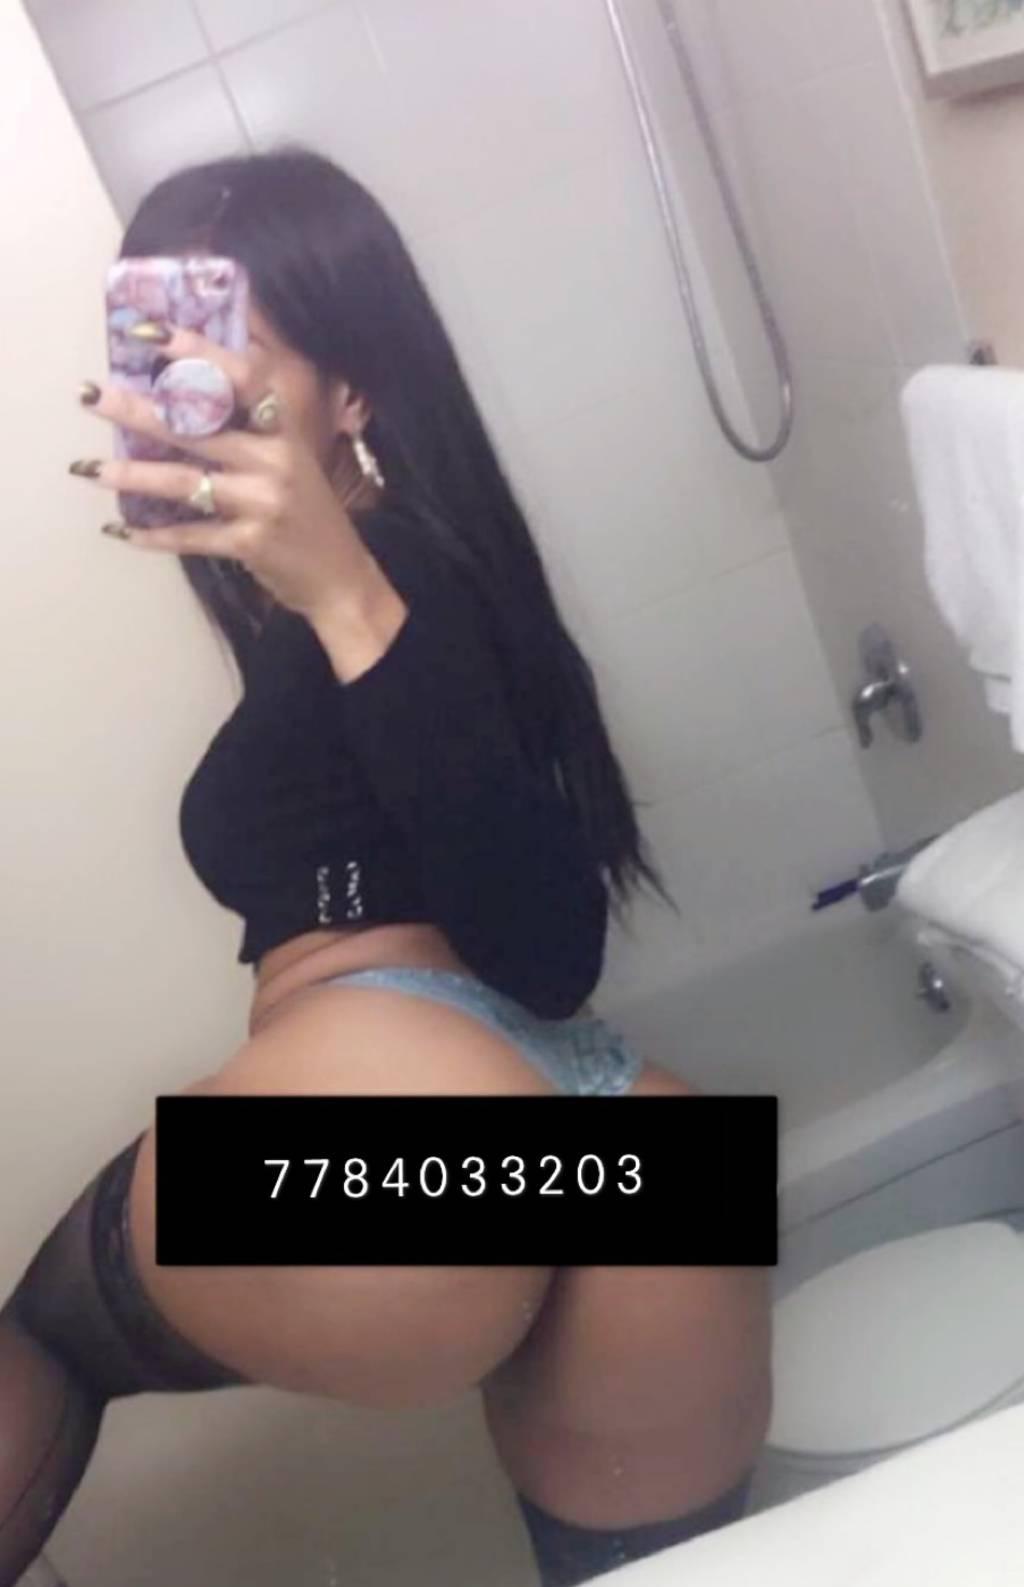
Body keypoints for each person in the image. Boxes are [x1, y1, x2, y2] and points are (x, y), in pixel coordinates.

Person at [0, 147, 771, 1587]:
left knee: (46, 1334)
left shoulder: (380, 578)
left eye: (225, 356)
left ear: (351, 391)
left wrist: (345, 590)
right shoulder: (428, 575)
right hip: (617, 1122)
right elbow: (540, 953)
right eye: (157, 352)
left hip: (405, 1118)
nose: (183, 394)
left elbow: (548, 948)